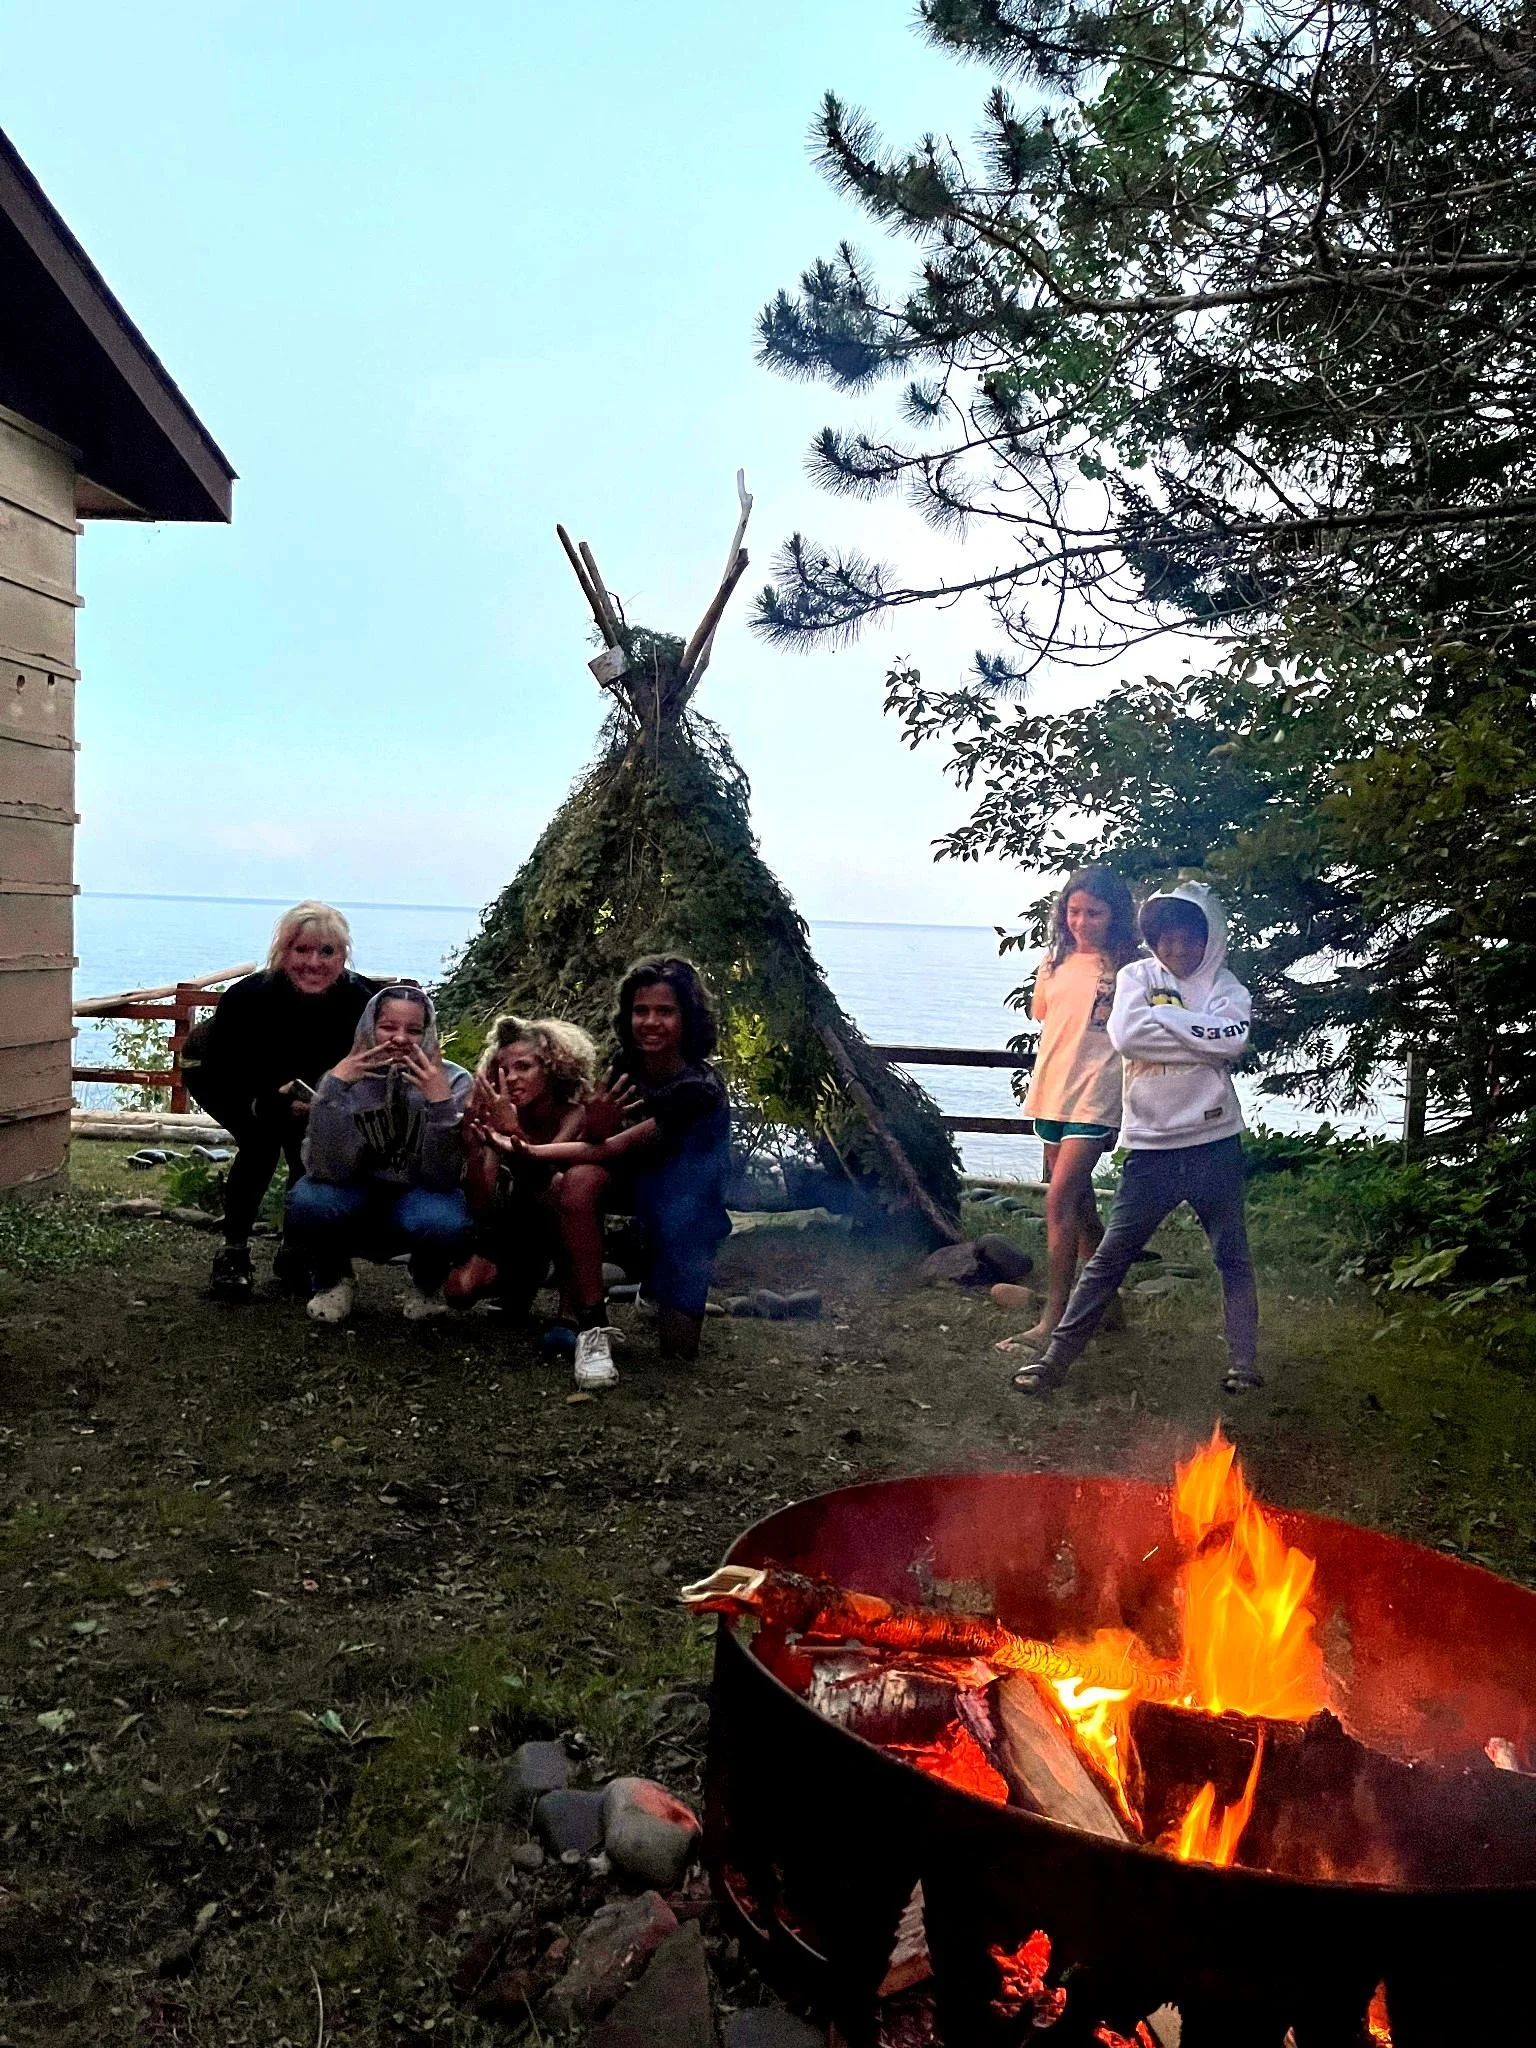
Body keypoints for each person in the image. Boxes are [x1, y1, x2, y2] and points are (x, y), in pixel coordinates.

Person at [1011, 881, 1261, 1398]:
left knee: (1231, 1255)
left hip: (1215, 1140)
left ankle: (1244, 1361)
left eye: (1188, 940)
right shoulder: (1135, 976)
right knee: (1108, 1257)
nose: (1175, 951)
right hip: (1150, 1146)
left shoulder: (1228, 988)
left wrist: (1165, 1018)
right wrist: (1197, 1035)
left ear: (1209, 939)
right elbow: (1127, 1037)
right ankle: (1056, 1358)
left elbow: (1233, 1039)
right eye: (1164, 940)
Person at [487, 956, 731, 1389]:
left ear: (687, 1017)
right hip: (631, 1182)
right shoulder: (627, 1063)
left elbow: (612, 1147)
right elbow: (602, 1142)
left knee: (678, 1353)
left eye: (665, 1011)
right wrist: (597, 1124)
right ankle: (592, 1326)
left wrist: (521, 1147)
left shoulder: (698, 1088)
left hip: (686, 1203)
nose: (650, 1022)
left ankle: (656, 1286)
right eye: (641, 1011)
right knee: (576, 1183)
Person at [180, 902, 377, 1304]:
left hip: (314, 1089)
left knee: (308, 1152)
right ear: (282, 952)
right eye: (301, 950)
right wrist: (265, 1102)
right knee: (260, 1144)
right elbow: (224, 1066)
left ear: (343, 956)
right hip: (224, 1075)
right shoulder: (248, 996)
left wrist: (324, 1101)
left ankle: (295, 1251)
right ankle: (233, 1252)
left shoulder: (361, 998)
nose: (314, 963)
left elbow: (370, 1064)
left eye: (327, 952)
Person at [1000, 865, 1140, 1351]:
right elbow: (1048, 1018)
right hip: (1051, 1091)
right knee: (1080, 1208)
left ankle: (1053, 1322)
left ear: (1115, 916)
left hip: (1098, 1094)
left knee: (1058, 1201)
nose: (1082, 922)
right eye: (1074, 912)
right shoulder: (1053, 964)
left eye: (1094, 913)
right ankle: (1107, 1306)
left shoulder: (1130, 970)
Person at [285, 984, 474, 1325]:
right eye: (388, 1027)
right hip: (353, 1188)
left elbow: (444, 1177)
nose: (400, 1038)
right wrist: (332, 1093)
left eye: (414, 1030)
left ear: (428, 1034)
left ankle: (426, 1283)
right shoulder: (341, 1077)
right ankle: (333, 1279)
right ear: (369, 1028)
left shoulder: (455, 1081)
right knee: (308, 1200)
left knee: (444, 1220)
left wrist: (441, 1106)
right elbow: (323, 1169)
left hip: (420, 1192)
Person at [444, 1015, 619, 1336]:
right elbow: (481, 1206)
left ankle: (569, 1311)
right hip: (516, 1228)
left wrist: (514, 1132)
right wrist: (472, 1149)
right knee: (459, 1291)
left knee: (559, 1187)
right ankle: (524, 1284)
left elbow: (549, 1174)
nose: (511, 1078)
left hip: (560, 1223)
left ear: (552, 1069)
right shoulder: (500, 1114)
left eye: (523, 1067)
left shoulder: (574, 1115)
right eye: (503, 1070)